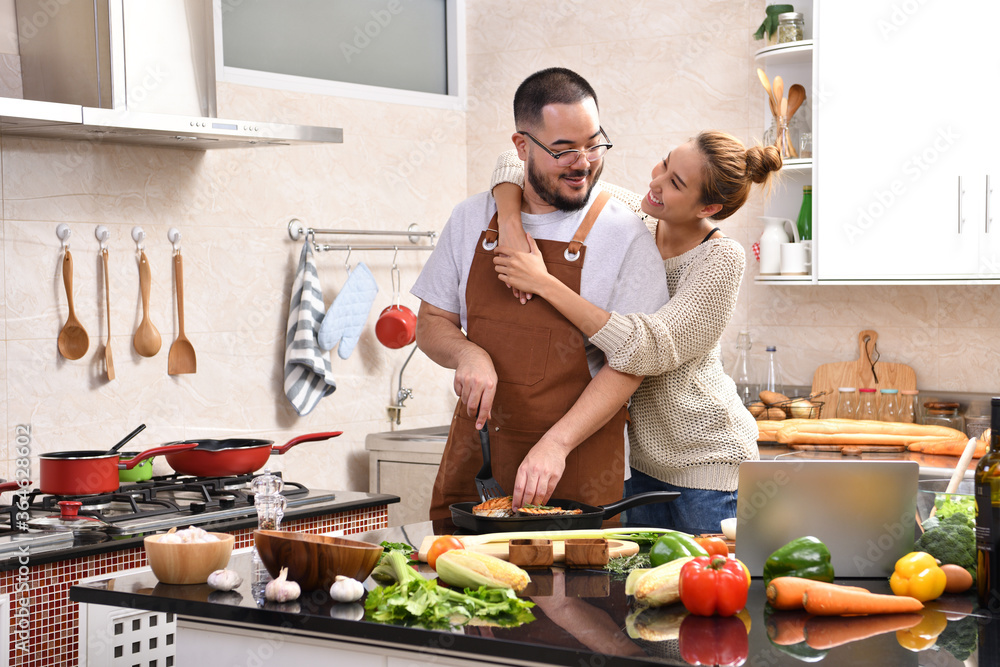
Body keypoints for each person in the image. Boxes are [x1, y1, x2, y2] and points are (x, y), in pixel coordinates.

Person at [491, 131, 782, 534]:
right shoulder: (634, 219)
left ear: (709, 207)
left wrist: (544, 283)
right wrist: (508, 223)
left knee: (715, 590)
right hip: (639, 464)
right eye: (664, 164)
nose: (655, 181)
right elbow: (519, 161)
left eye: (676, 183)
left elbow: (647, 348)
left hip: (708, 469)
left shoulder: (721, 259)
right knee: (643, 593)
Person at [411, 68, 669, 520]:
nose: (584, 162)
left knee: (576, 590)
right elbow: (430, 323)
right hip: (480, 456)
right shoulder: (473, 218)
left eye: (594, 143)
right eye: (564, 150)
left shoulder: (624, 233)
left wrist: (557, 443)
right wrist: (467, 355)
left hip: (577, 462)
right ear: (522, 147)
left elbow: (631, 364)